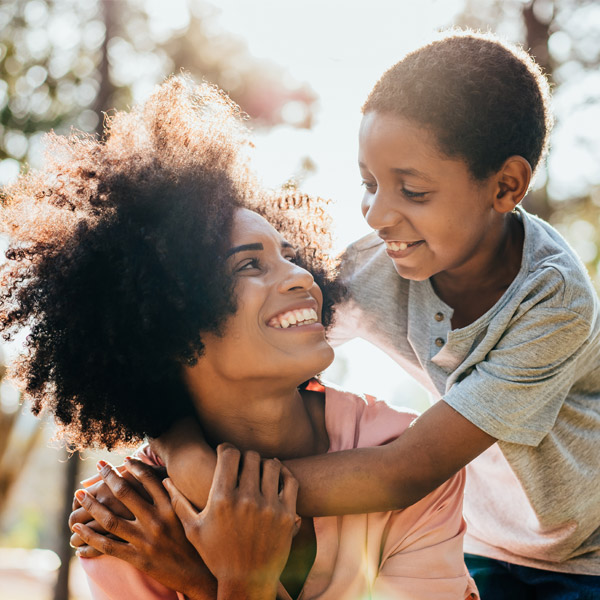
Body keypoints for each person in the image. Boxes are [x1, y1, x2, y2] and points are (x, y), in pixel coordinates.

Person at [135, 32, 600, 599]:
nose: (378, 214)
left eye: (410, 190)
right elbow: (221, 348)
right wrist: (176, 447)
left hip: (579, 556)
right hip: (479, 540)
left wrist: (222, 489)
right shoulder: (376, 266)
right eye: (369, 183)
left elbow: (403, 471)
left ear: (506, 186)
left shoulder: (554, 301)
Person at [0, 76, 477, 599]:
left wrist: (209, 582)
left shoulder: (398, 452)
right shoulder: (130, 519)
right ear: (167, 317)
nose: (302, 277)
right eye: (250, 264)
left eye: (289, 255)